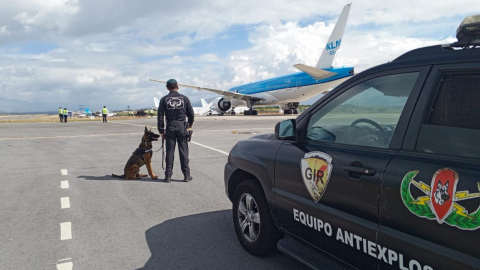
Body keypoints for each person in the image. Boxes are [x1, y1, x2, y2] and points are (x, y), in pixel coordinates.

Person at [157, 79, 195, 183]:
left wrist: (161, 129)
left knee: (170, 151)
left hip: (170, 127)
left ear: (167, 88)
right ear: (177, 86)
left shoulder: (164, 99)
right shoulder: (184, 98)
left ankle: (168, 176)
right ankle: (186, 175)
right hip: (181, 126)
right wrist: (190, 123)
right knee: (183, 151)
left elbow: (160, 116)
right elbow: (191, 113)